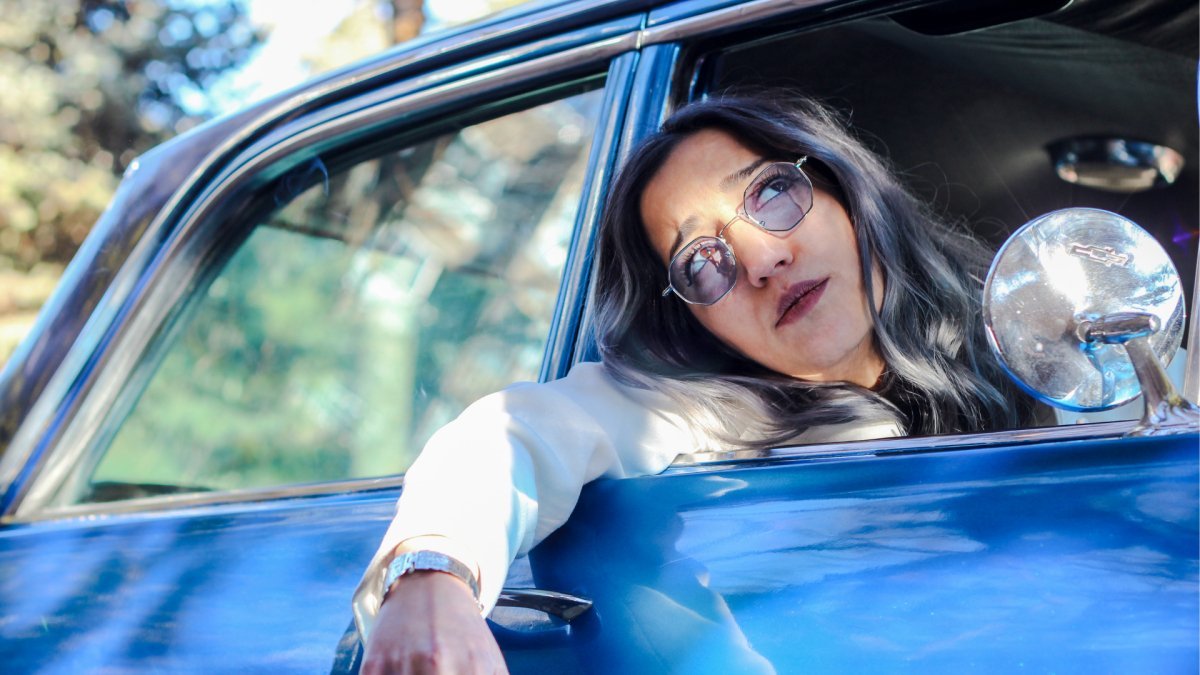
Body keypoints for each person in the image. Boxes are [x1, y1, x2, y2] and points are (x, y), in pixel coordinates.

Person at [353, 94, 1042, 673]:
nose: (763, 258)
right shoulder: (700, 417)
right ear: (694, 324)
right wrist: (430, 569)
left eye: (771, 192)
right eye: (701, 261)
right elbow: (516, 431)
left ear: (846, 190)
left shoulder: (1031, 340)